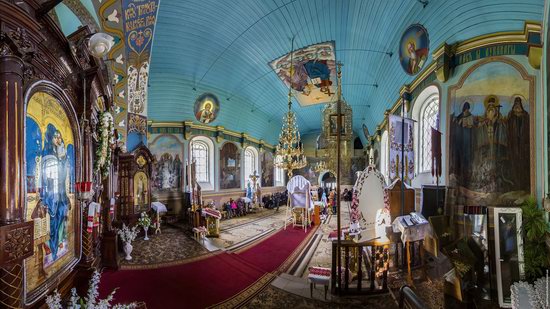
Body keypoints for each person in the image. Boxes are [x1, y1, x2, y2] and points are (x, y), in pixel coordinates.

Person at [41, 125, 71, 261]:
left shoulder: (60, 153)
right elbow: (47, 176)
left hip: (61, 194)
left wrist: (63, 159)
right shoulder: (47, 152)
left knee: (60, 219)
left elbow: (64, 175)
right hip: (51, 195)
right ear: (50, 137)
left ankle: (56, 249)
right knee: (52, 224)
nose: (58, 139)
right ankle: (52, 251)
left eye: (60, 137)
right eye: (55, 136)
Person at [507, 96, 530, 191]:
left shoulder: (525, 114)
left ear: (521, 104)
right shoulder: (511, 115)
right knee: (514, 163)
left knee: (523, 164)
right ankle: (514, 184)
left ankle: (524, 185)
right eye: (515, 103)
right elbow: (508, 129)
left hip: (523, 145)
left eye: (518, 103)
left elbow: (527, 128)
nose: (517, 105)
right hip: (514, 144)